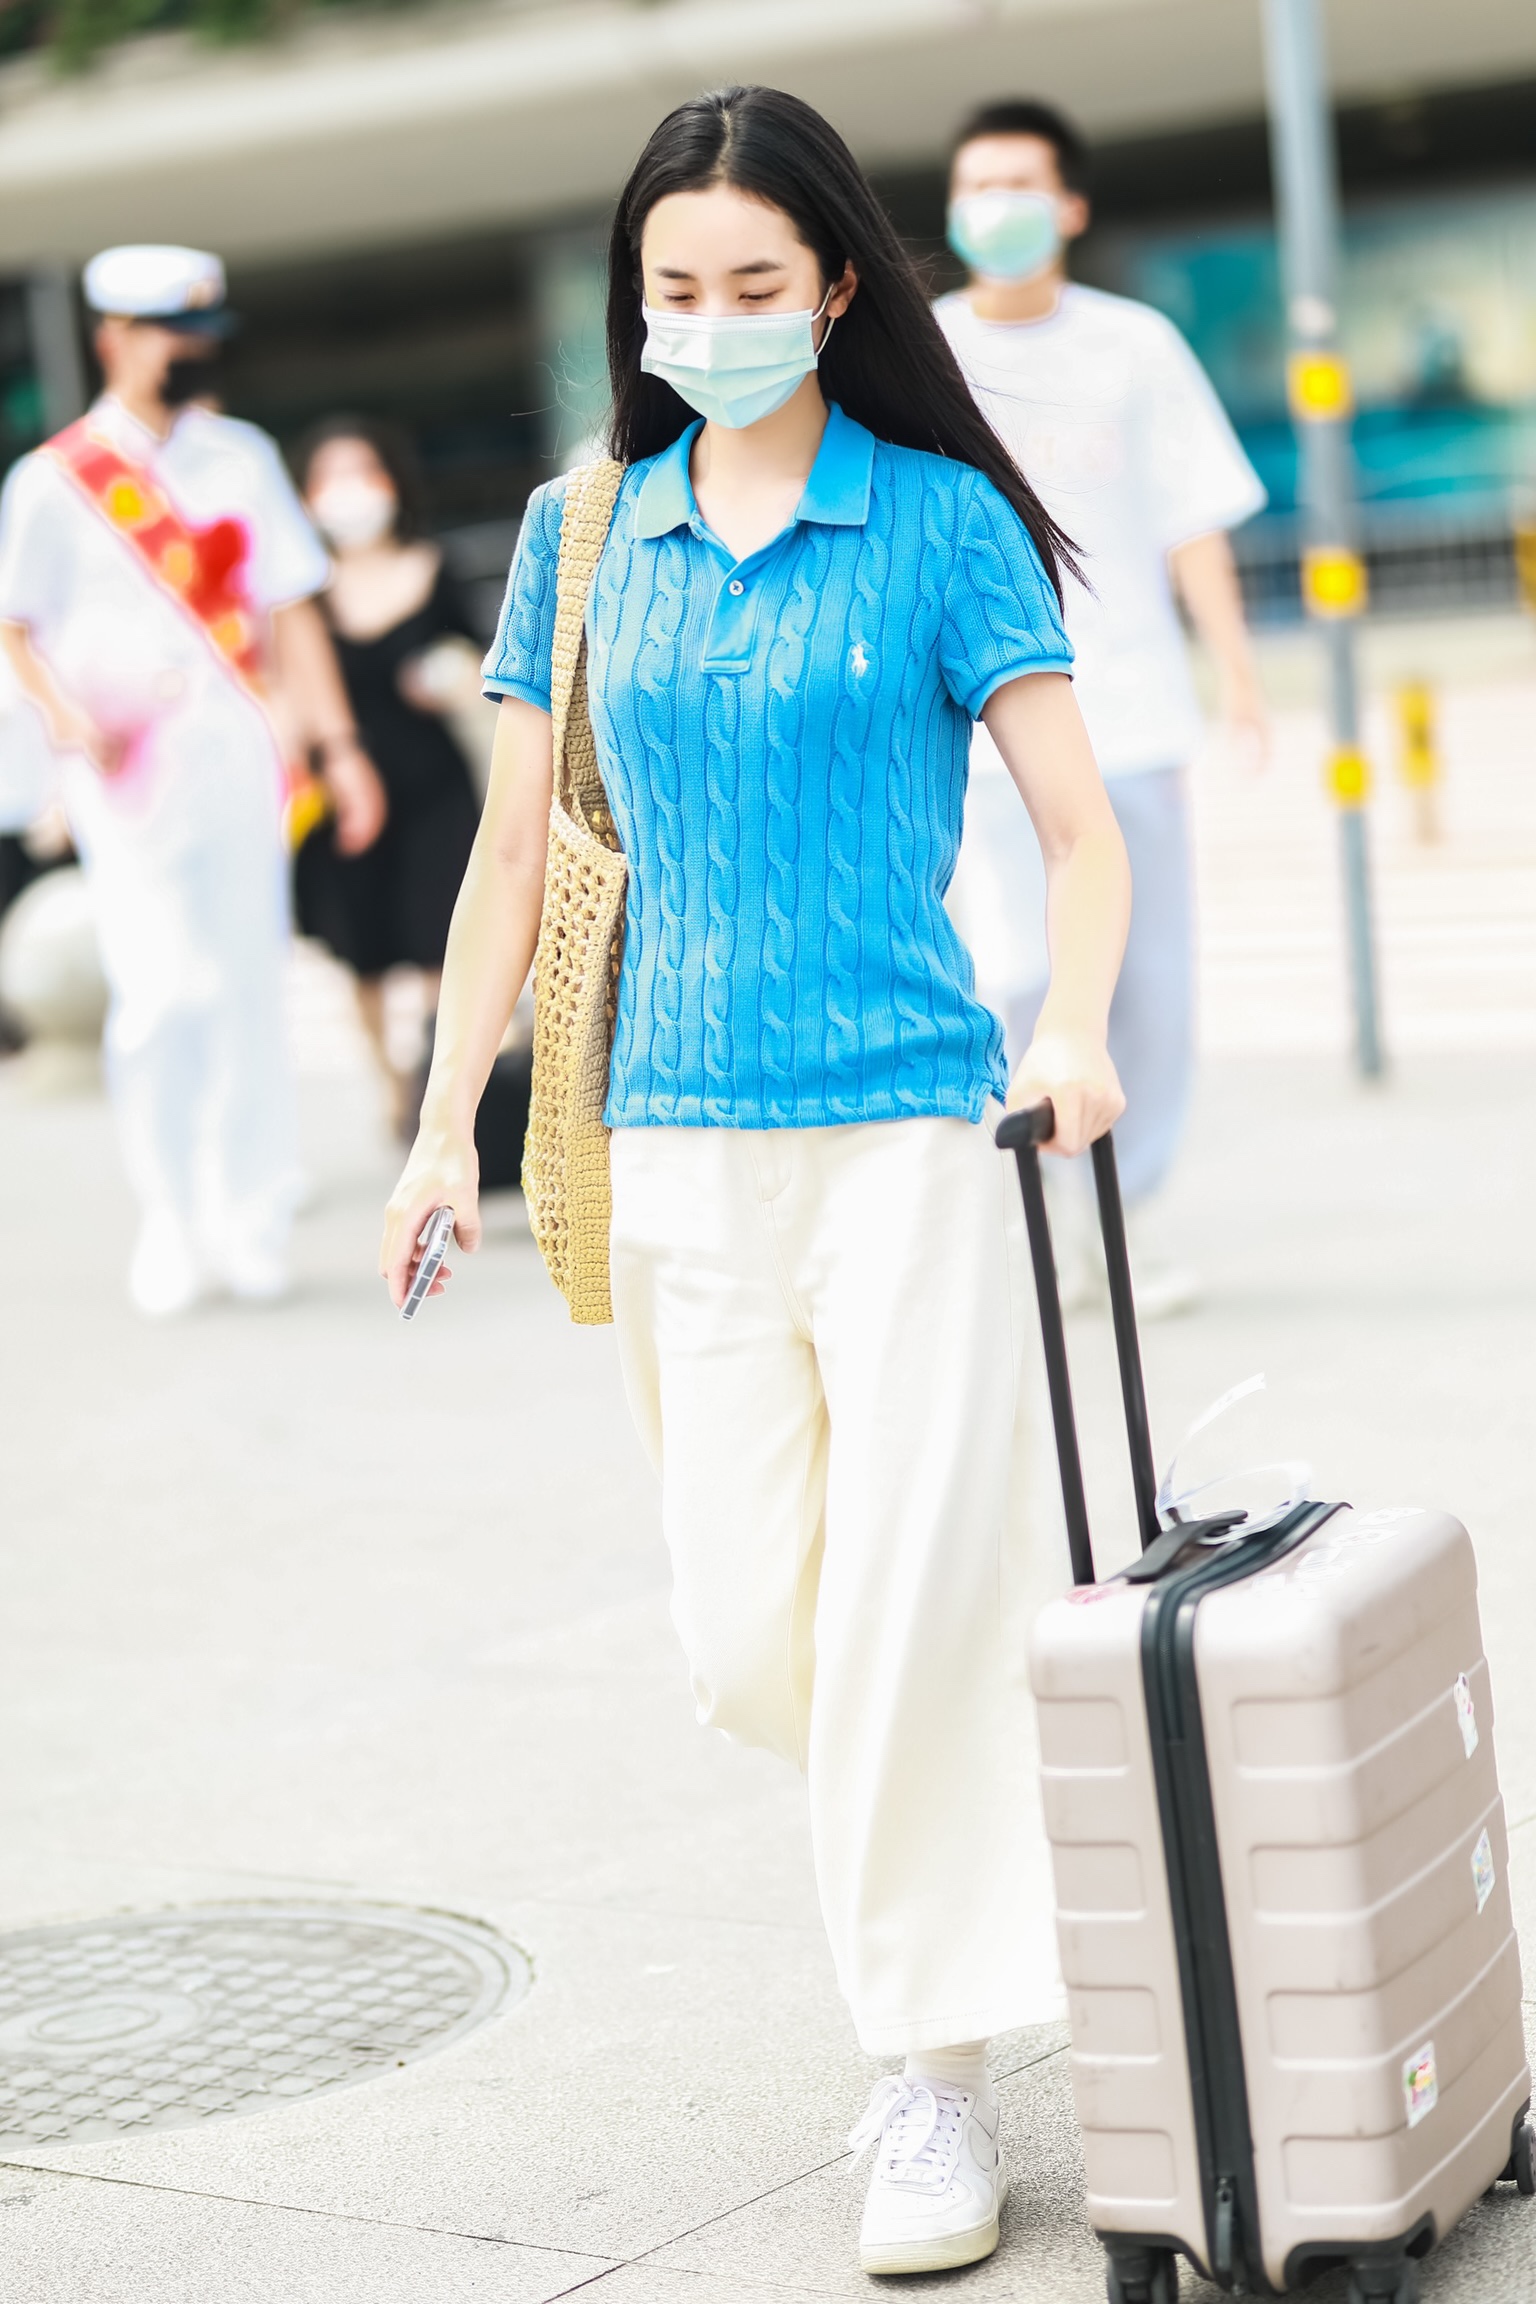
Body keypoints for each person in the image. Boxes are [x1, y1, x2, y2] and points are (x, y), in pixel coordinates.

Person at [381, 87, 1130, 2280]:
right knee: (746, 1637)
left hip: (911, 1129)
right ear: (638, 304)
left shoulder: (940, 527)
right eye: (671, 291)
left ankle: (929, 2077)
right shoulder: (581, 530)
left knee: (900, 1609)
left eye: (752, 287)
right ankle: (982, 1831)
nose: (708, 321)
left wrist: (1068, 1025)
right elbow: (513, 855)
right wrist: (444, 1128)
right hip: (674, 1140)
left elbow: (1083, 836)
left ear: (835, 289)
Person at [0, 244, 385, 1314]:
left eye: (206, 335)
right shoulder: (51, 482)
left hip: (237, 753)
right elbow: (14, 630)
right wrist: (69, 722)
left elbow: (291, 609)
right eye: (176, 334)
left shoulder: (244, 457)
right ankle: (170, 1215)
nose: (196, 354)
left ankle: (249, 1210)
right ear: (113, 339)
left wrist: (337, 748)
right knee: (160, 997)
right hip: (124, 773)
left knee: (247, 987)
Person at [937, 99, 1267, 1315]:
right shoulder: (926, 353)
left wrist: (1233, 666)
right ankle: (1052, 1211)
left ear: (1070, 206)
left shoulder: (1133, 346)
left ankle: (1125, 1206)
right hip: (979, 731)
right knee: (1019, 969)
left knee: (1151, 981)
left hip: (1128, 711)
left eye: (1022, 183)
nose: (998, 207)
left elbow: (1192, 519)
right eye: (978, 184)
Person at [292, 417, 484, 1135]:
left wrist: (449, 676)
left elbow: (485, 661)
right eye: (329, 478)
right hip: (347, 797)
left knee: (444, 935)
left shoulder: (435, 569)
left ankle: (438, 1087)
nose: (348, 495)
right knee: (365, 948)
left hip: (434, 784)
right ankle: (388, 1083)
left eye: (362, 473)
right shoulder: (302, 597)